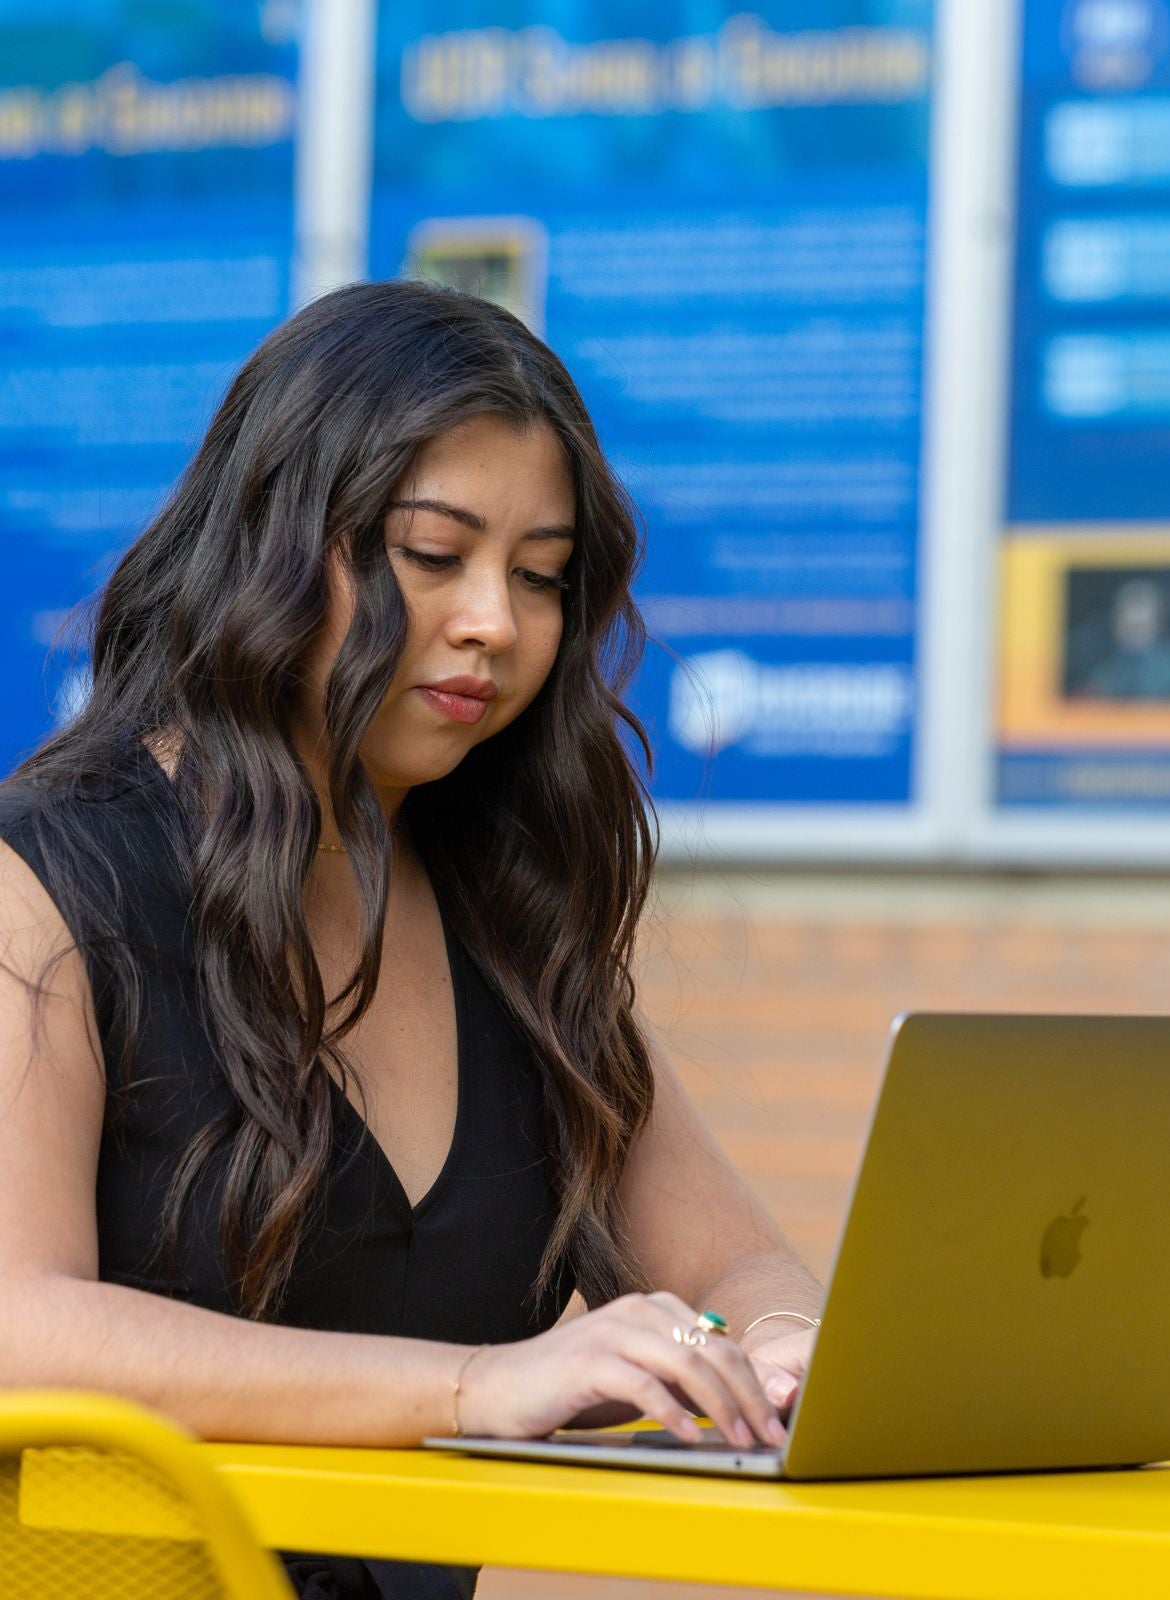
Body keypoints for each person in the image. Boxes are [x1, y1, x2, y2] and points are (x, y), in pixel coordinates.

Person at [0, 280, 823, 1599]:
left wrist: (774, 1346)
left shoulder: (508, 925)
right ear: (266, 543)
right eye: (432, 556)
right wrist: (471, 1386)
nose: (496, 621)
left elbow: (735, 1263)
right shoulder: (45, 881)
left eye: (542, 577)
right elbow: (17, 1330)